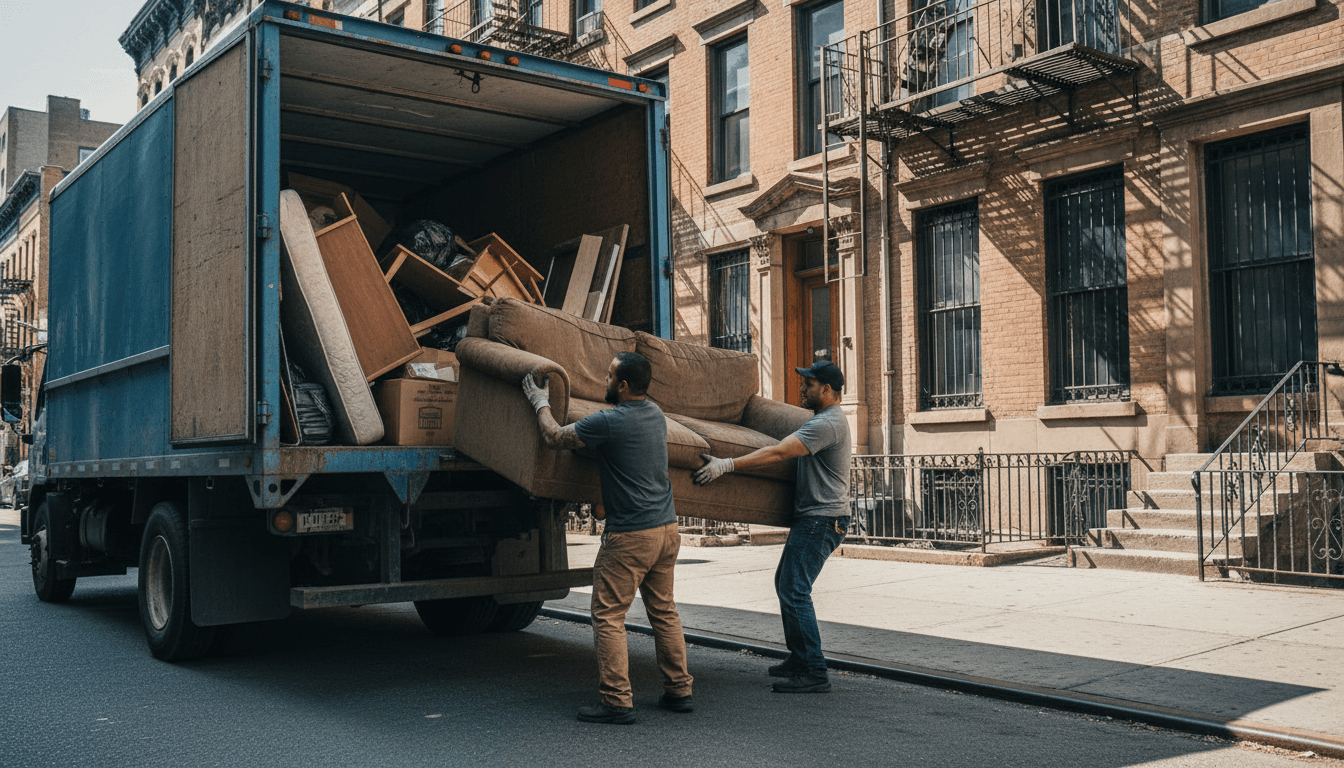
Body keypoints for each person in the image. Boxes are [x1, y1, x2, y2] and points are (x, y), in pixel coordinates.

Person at [521, 352, 694, 724]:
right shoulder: (655, 414)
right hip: (667, 529)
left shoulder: (610, 421)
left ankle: (616, 700)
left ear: (624, 385)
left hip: (631, 536)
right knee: (664, 612)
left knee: (608, 615)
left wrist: (540, 402)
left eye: (609, 376)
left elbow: (554, 437)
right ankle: (679, 690)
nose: (604, 380)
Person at [693, 360, 851, 694]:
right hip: (817, 517)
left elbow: (779, 452)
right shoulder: (823, 419)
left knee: (794, 589)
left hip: (822, 519)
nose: (802, 389)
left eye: (808, 385)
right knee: (787, 584)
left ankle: (814, 670)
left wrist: (727, 465)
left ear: (826, 390)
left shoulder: (827, 424)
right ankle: (800, 658)